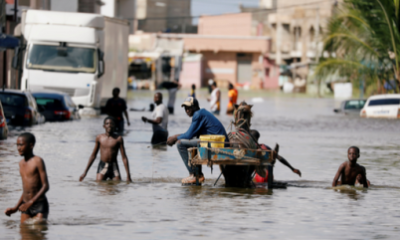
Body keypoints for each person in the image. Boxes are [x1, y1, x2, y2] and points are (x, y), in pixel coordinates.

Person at [166, 97, 228, 185]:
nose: (187, 110)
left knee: (180, 144)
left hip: (216, 143)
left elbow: (188, 135)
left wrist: (175, 137)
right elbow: (190, 135)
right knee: (190, 141)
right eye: (185, 108)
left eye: (189, 108)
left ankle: (194, 174)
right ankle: (198, 174)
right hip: (217, 141)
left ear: (195, 107)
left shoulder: (197, 114)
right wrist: (176, 136)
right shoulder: (201, 113)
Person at [5, 133, 50, 223]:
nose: (18, 148)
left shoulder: (38, 161)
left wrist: (31, 202)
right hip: (26, 205)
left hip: (39, 204)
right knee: (24, 233)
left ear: (31, 145)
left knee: (38, 231)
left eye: (21, 145)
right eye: (17, 145)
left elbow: (45, 186)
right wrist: (15, 208)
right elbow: (26, 190)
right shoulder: (21, 164)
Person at [79, 117, 132, 182]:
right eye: (107, 123)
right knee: (100, 186)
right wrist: (85, 172)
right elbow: (93, 156)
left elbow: (124, 157)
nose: (109, 125)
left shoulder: (118, 138)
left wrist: (128, 175)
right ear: (104, 126)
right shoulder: (99, 138)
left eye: (111, 123)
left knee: (117, 187)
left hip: (114, 167)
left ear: (114, 126)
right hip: (103, 166)